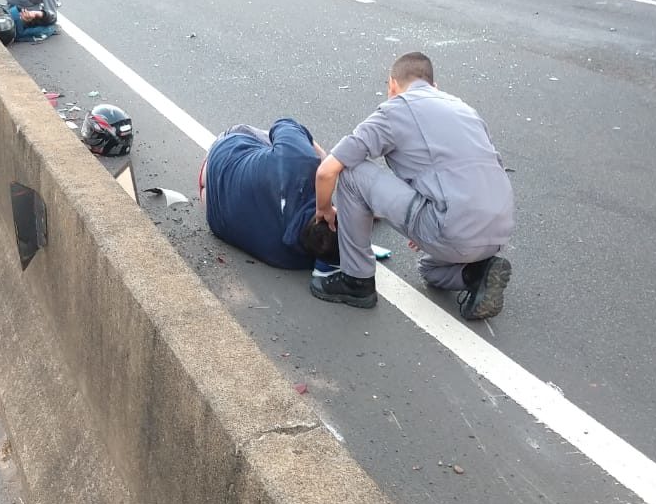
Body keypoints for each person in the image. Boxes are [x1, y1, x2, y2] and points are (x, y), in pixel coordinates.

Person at [312, 51, 515, 318]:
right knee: (430, 270)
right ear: (435, 86)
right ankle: (476, 273)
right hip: (499, 230)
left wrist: (324, 208)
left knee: (350, 172)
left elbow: (327, 171)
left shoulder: (396, 109)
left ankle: (356, 280)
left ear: (392, 85)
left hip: (450, 226)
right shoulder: (465, 109)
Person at [200, 120, 339, 273]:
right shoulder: (298, 261)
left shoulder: (302, 161)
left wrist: (322, 160)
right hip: (213, 210)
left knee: (282, 140)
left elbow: (283, 123)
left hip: (219, 158)